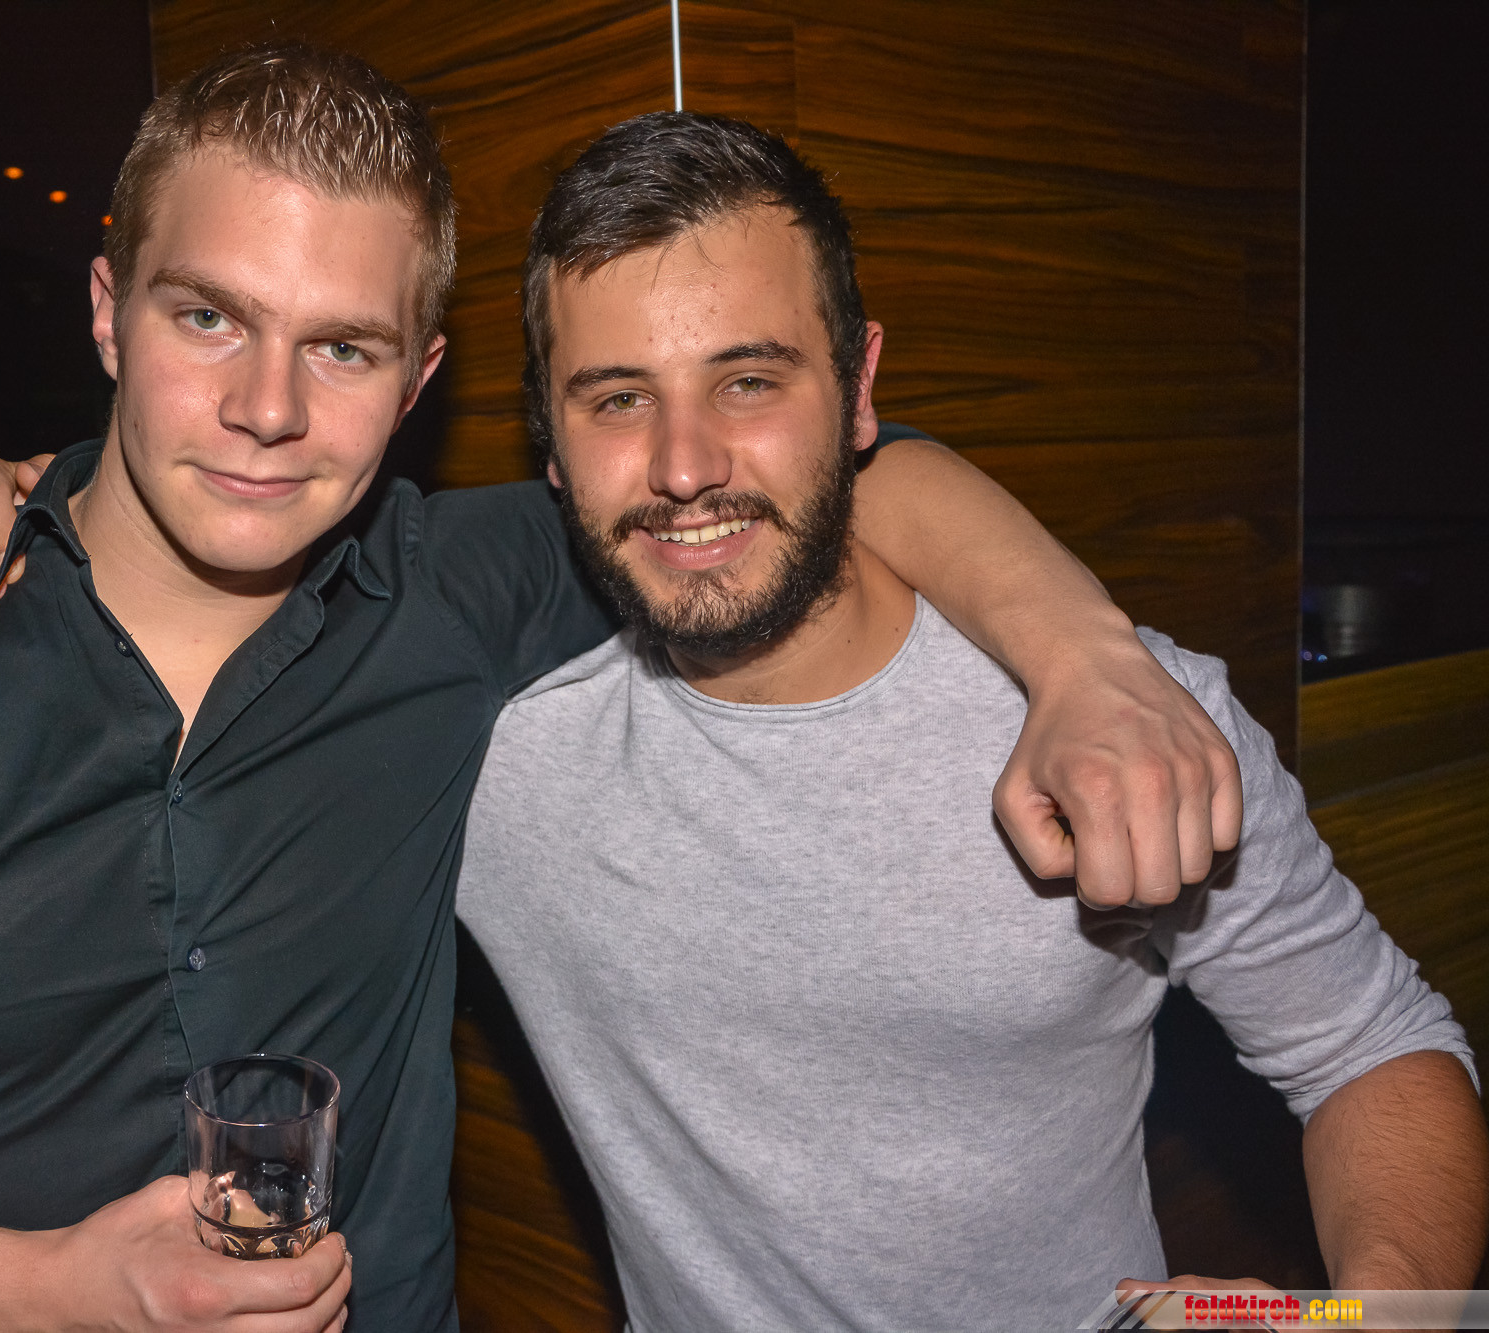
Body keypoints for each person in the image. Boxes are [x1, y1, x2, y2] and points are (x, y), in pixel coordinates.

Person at [0, 47, 1232, 1333]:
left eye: (340, 346)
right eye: (208, 319)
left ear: (420, 381)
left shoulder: (457, 598)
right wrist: (51, 1287)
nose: (268, 408)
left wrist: (1089, 660)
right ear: (106, 311)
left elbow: (824, 468)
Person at [444, 113, 1483, 1330]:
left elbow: (1370, 1044)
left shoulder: (1121, 721)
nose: (684, 466)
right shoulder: (492, 758)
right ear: (551, 443)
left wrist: (1378, 1313)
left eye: (748, 380)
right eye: (618, 399)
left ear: (858, 389)